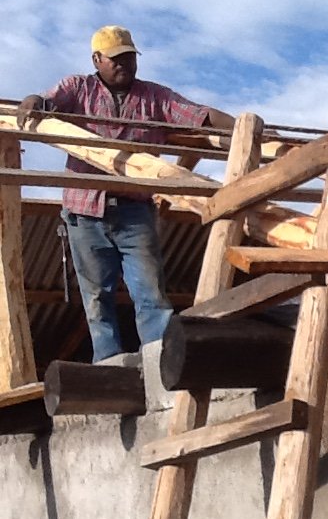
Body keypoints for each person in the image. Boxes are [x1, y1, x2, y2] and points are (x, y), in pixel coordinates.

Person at [17, 25, 234, 361]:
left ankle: (161, 363)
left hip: (134, 211)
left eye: (129, 57)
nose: (124, 64)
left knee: (151, 293)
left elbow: (199, 116)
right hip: (84, 211)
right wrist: (33, 102)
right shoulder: (79, 88)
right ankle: (107, 366)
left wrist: (244, 126)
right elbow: (46, 101)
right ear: (97, 60)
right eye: (116, 59)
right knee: (96, 298)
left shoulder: (155, 97)